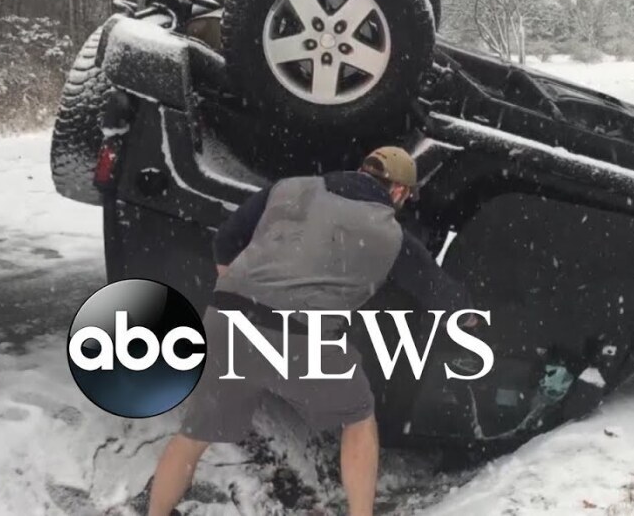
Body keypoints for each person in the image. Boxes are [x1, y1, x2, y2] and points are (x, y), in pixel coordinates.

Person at [146, 147, 473, 516]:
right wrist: (470, 317)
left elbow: (225, 241)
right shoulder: (392, 236)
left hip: (227, 321)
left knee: (193, 435)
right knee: (358, 418)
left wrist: (243, 297)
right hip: (302, 337)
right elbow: (440, 294)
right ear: (398, 191)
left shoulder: (287, 188)